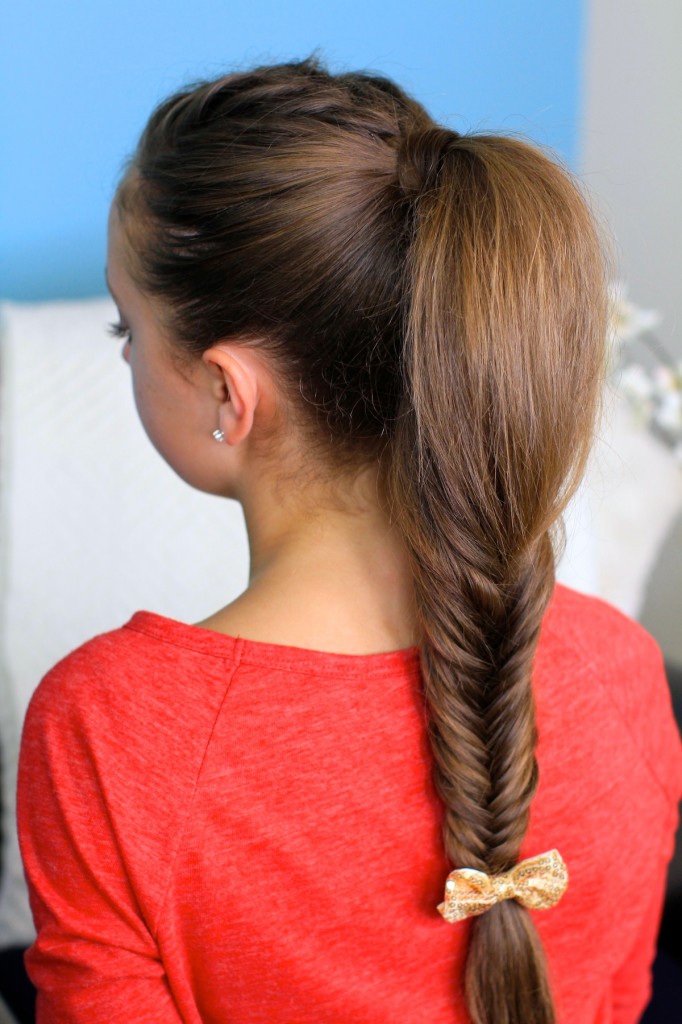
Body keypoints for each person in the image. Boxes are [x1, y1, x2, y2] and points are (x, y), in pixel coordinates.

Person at [16, 56, 682, 1024]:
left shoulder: (109, 726)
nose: (123, 355)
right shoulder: (620, 667)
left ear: (225, 392)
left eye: (129, 327)